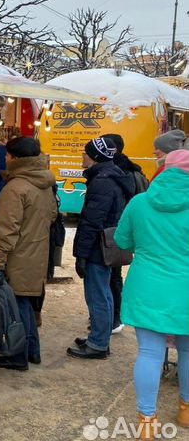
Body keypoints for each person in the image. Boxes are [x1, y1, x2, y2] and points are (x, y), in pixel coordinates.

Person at [114, 149, 189, 441]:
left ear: (164, 170)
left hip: (147, 286)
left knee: (149, 352)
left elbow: (122, 240)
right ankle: (185, 410)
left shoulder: (140, 202)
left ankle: (147, 421)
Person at [0, 137, 57, 371]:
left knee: (16, 306)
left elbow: (6, 232)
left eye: (7, 155)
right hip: (37, 250)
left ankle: (18, 356)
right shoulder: (44, 182)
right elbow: (51, 216)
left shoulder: (15, 187)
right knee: (25, 302)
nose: (5, 159)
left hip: (18, 255)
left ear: (15, 158)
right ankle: (32, 351)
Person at [67, 137, 135, 359]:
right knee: (103, 292)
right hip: (107, 244)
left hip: (99, 246)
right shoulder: (112, 176)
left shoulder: (102, 181)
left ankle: (97, 344)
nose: (82, 156)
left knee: (97, 294)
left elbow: (91, 222)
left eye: (86, 153)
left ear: (96, 156)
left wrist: (81, 254)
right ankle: (99, 336)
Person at [100, 133, 146, 334]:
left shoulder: (115, 173)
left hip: (114, 230)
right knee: (114, 275)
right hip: (123, 231)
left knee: (111, 275)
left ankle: (113, 317)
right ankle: (114, 316)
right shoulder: (136, 172)